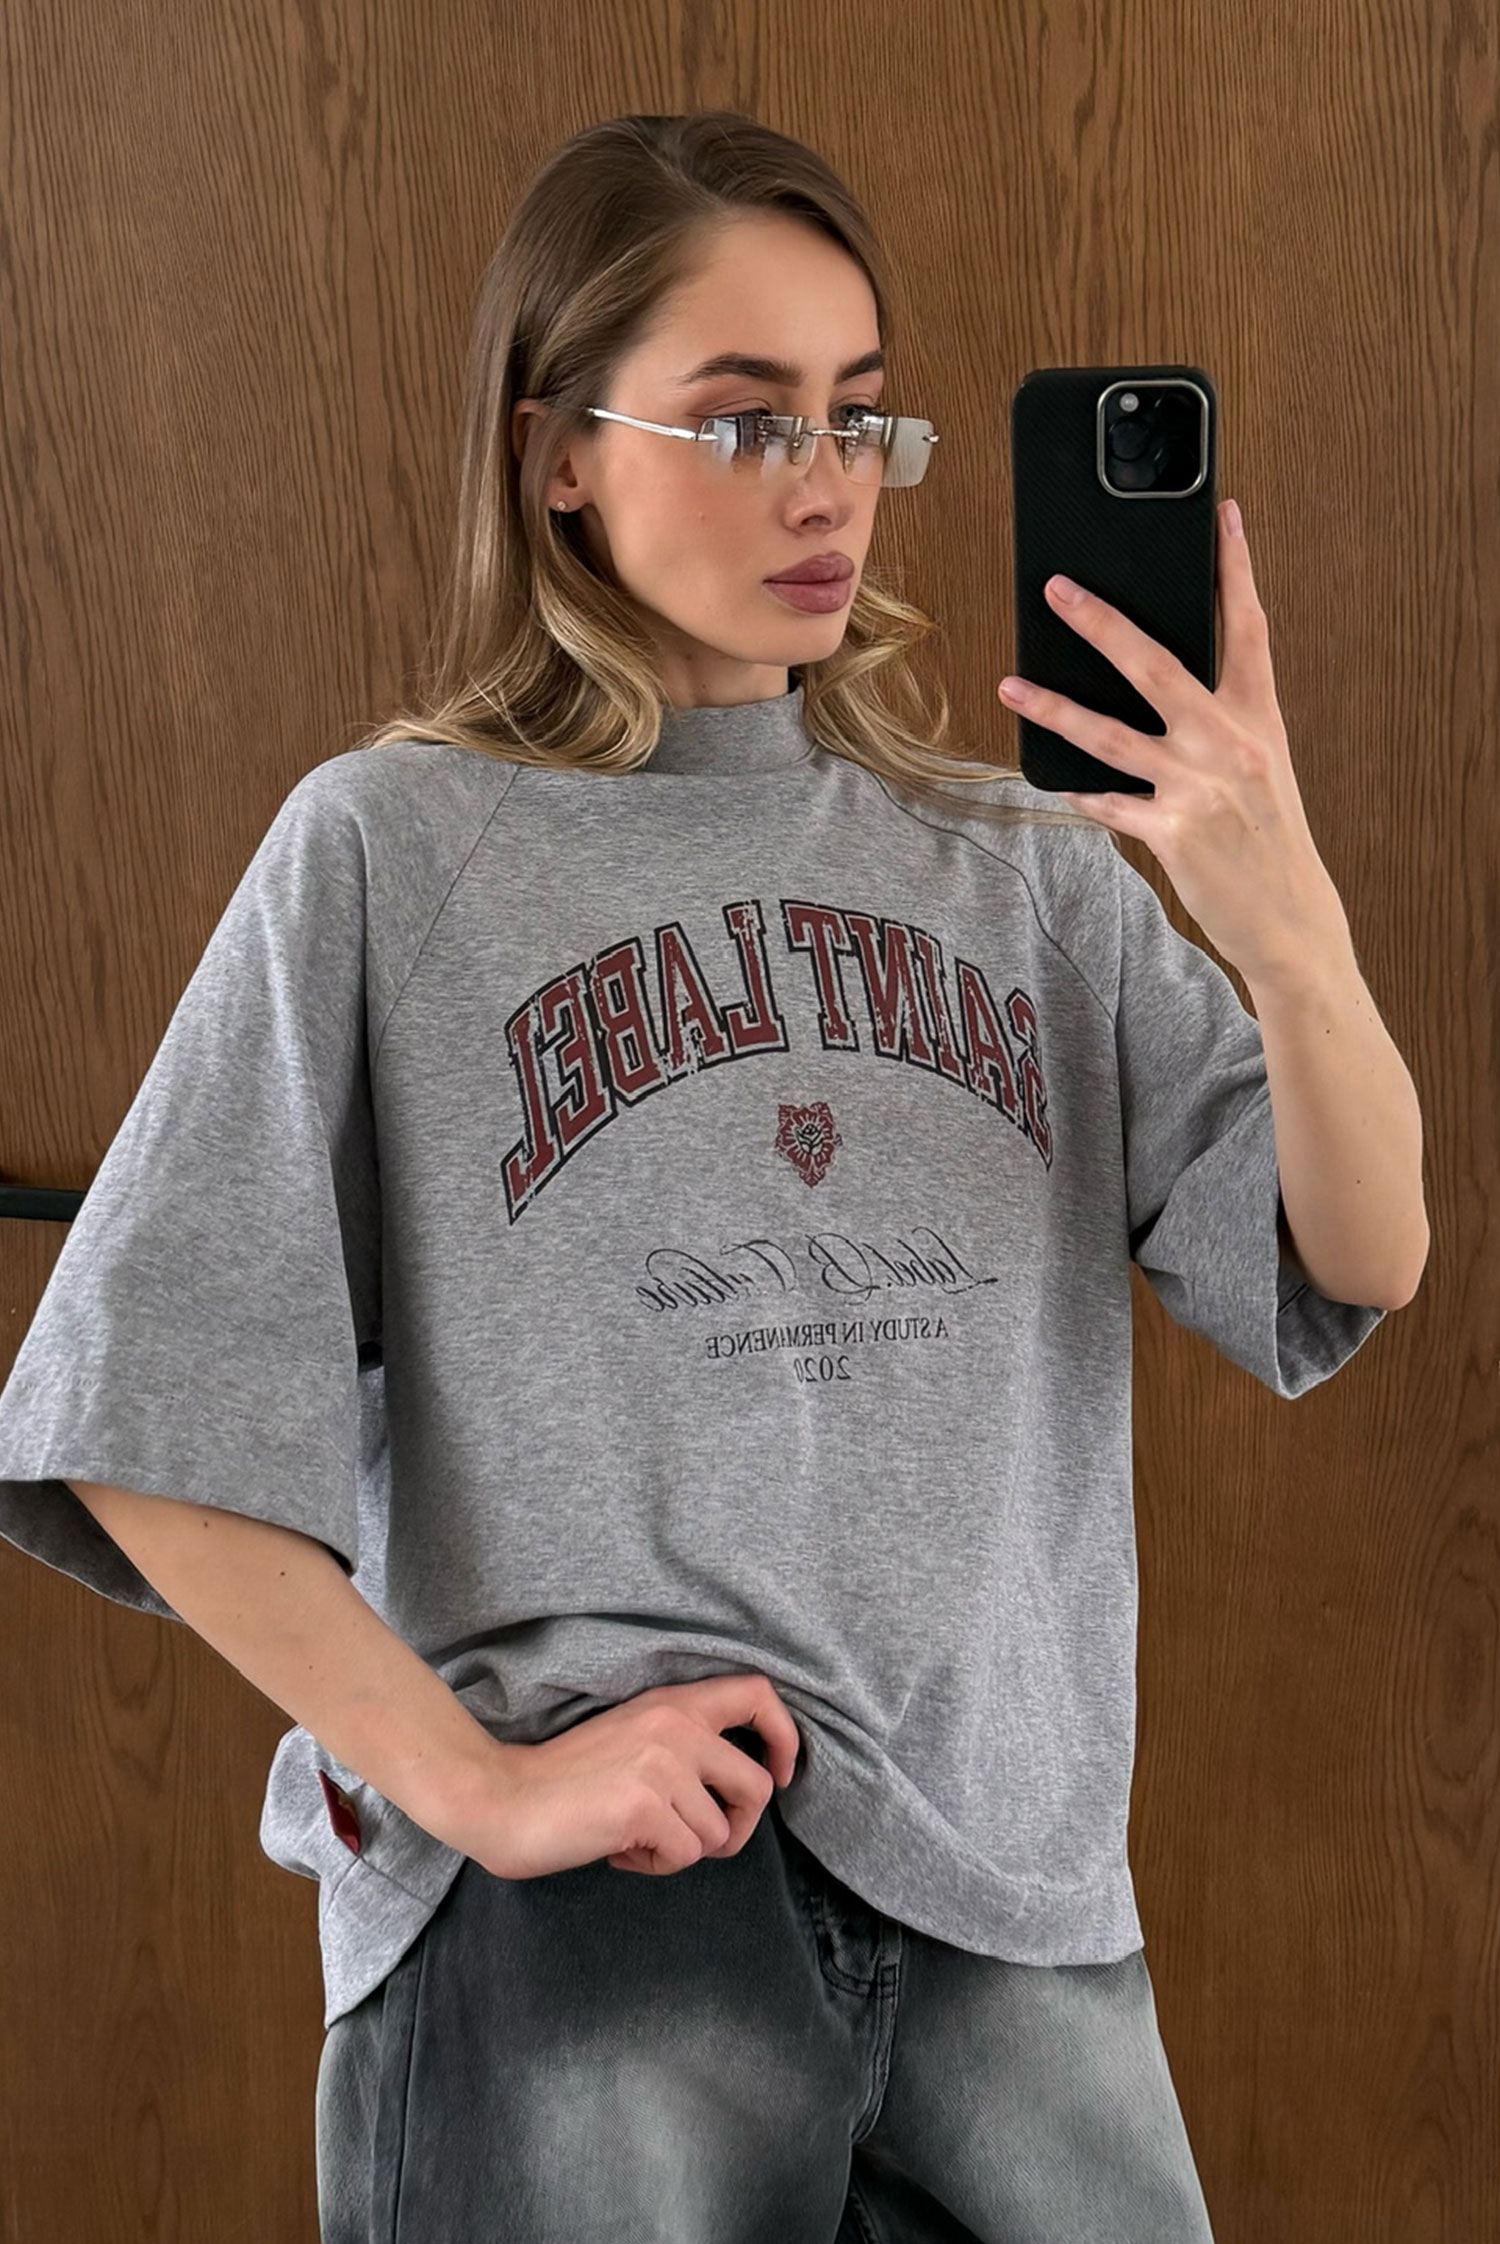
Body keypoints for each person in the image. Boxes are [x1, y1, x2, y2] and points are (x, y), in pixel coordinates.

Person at [0, 111, 1396, 2242]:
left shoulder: (1025, 869)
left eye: (859, 415)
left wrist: (1286, 921)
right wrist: (481, 1790)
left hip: (1015, 1898)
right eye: (745, 423)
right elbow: (134, 1408)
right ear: (557, 451)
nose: (824, 485)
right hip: (602, 1921)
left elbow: (1357, 1254)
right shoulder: (391, 849)